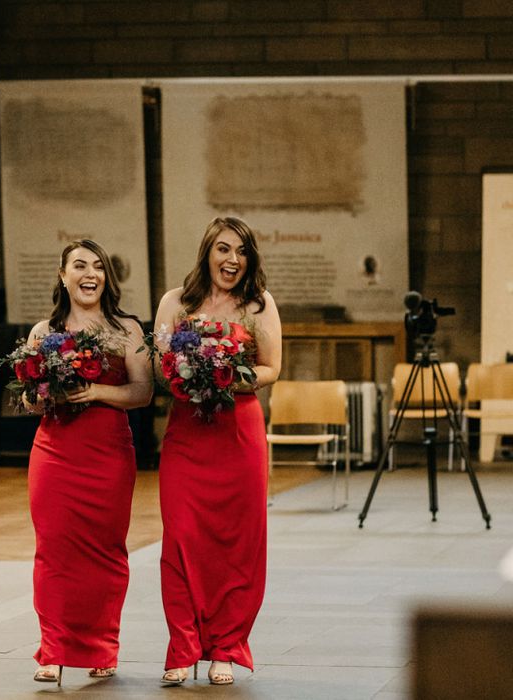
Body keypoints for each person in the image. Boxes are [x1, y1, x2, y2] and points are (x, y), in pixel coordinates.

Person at [153, 217, 282, 686]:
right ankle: (182, 646)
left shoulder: (259, 304)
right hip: (188, 433)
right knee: (181, 537)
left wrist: (231, 375)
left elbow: (272, 367)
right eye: (224, 249)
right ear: (207, 250)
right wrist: (190, 374)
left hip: (238, 431)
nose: (232, 260)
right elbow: (159, 367)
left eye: (242, 252)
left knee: (236, 543)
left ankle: (226, 646)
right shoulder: (175, 303)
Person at [26, 239, 153, 686]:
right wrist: (42, 394)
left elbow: (143, 392)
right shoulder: (43, 332)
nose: (90, 273)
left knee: (105, 550)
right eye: (79, 265)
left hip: (108, 454)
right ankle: (54, 650)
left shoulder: (127, 330)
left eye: (97, 266)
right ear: (63, 275)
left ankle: (102, 647)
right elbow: (29, 399)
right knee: (54, 549)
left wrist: (97, 392)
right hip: (55, 451)